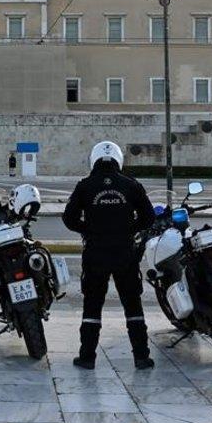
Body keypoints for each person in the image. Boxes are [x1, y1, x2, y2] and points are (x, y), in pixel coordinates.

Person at [62, 141, 155, 370]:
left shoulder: (85, 186)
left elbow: (68, 219)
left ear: (93, 160)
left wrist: (88, 229)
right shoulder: (131, 185)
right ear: (118, 160)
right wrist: (130, 228)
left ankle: (87, 357)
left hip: (96, 252)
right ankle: (141, 356)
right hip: (125, 253)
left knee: (92, 307)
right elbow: (149, 217)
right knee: (133, 305)